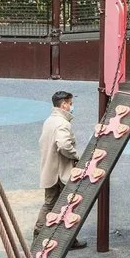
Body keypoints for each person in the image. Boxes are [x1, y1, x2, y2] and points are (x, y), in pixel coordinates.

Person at [39, 90, 86, 249]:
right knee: (66, 205)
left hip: (49, 169)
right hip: (61, 172)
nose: (71, 107)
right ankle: (65, 239)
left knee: (50, 204)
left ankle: (40, 235)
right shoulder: (62, 123)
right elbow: (64, 145)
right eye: (70, 104)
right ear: (64, 104)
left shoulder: (49, 121)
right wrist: (75, 156)